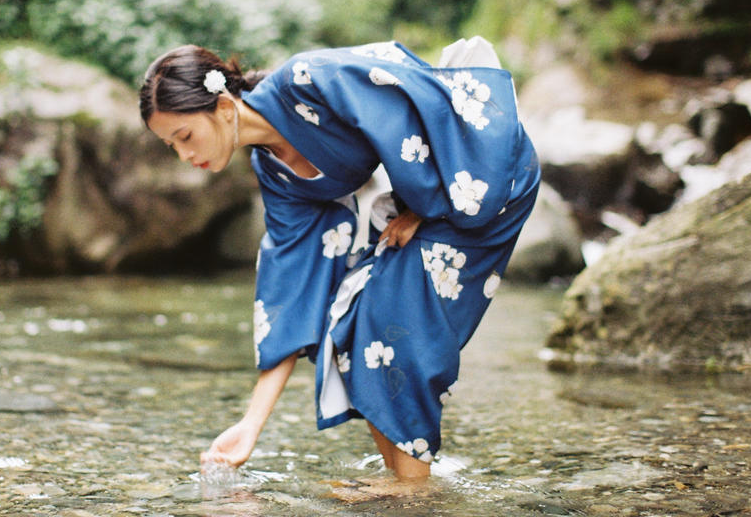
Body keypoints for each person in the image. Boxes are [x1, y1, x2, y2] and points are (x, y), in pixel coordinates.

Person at [139, 40, 540, 481]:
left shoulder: (308, 78)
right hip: (431, 202)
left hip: (481, 174)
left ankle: (413, 494)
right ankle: (403, 484)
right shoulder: (275, 173)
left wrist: (420, 209)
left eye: (184, 136)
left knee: (395, 324)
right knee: (348, 322)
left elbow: (408, 104)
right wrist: (251, 425)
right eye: (170, 145)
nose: (183, 155)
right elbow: (287, 291)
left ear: (223, 107)